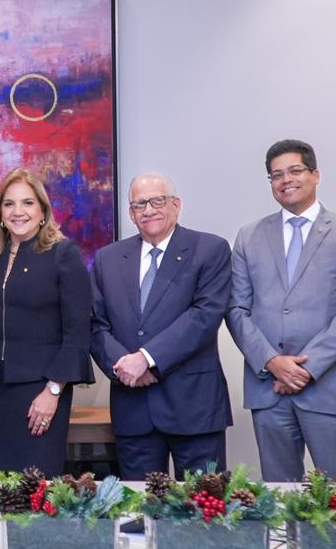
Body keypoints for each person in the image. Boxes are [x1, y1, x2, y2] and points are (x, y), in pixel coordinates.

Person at [227, 139, 336, 482]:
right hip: (268, 389)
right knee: (278, 497)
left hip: (329, 387)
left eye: (295, 170)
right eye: (276, 175)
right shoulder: (249, 236)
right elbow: (236, 308)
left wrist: (305, 370)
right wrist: (271, 362)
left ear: (315, 174)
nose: (286, 180)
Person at [90, 172, 233, 479]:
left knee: (200, 503)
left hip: (194, 407)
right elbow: (95, 325)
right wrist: (124, 365)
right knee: (138, 505)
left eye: (157, 201)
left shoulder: (210, 249)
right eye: (139, 204)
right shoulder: (107, 259)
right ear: (131, 213)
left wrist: (146, 359)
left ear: (176, 205)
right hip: (133, 407)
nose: (148, 210)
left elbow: (204, 316)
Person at [0, 168, 93, 477]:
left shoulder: (63, 254)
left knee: (37, 487)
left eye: (27, 203)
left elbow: (77, 331)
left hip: (40, 391)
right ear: (0, 213)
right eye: (9, 204)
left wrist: (53, 391)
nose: (18, 211)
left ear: (42, 211)